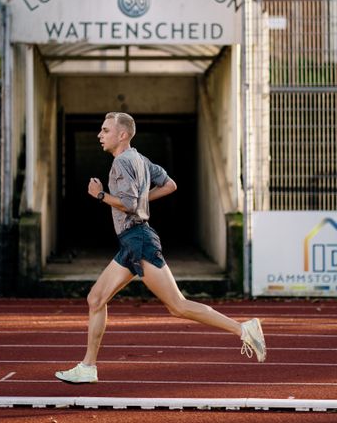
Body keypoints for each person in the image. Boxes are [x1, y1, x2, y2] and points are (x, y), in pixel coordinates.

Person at [55, 112, 266, 384]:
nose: (100, 135)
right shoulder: (141, 160)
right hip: (132, 241)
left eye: (105, 130)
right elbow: (170, 185)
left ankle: (244, 329)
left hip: (139, 240)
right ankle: (88, 367)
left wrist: (100, 194)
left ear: (122, 135)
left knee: (177, 306)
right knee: (96, 299)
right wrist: (143, 201)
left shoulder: (121, 162)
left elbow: (129, 204)